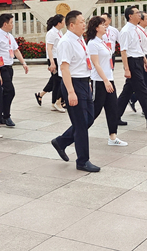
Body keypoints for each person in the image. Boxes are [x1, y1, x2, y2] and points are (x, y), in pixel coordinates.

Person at [50, 10, 100, 172]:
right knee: (80, 125)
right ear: (72, 25)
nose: (84, 24)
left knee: (89, 119)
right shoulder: (66, 42)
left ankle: (61, 141)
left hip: (84, 82)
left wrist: (89, 82)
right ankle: (82, 161)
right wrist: (71, 92)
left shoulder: (79, 39)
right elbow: (64, 68)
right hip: (73, 84)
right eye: (81, 22)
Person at [115, 6, 147, 131]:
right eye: (137, 13)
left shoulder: (136, 29)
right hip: (132, 63)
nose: (139, 15)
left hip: (139, 61)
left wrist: (145, 61)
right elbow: (123, 51)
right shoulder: (126, 31)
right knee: (143, 92)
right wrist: (126, 68)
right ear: (130, 16)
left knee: (127, 92)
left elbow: (138, 48)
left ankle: (114, 116)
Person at [86, 16, 127, 146]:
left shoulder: (102, 41)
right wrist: (105, 81)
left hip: (109, 79)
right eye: (103, 25)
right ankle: (75, 133)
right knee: (95, 111)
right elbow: (96, 64)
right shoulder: (92, 43)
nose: (105, 26)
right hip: (99, 81)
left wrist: (109, 80)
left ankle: (113, 137)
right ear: (96, 27)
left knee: (112, 109)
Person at [0, 13, 29, 127]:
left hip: (9, 67)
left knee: (5, 92)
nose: (12, 25)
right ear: (5, 24)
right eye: (11, 23)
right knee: (10, 91)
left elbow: (16, 50)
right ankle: (6, 116)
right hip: (2, 68)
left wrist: (23, 63)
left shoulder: (9, 36)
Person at [34, 14, 66, 112]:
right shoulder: (51, 33)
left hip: (59, 58)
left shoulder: (59, 32)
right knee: (59, 81)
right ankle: (57, 102)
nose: (65, 22)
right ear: (59, 23)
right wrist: (52, 63)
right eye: (64, 21)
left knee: (55, 81)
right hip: (54, 59)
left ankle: (52, 102)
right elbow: (49, 48)